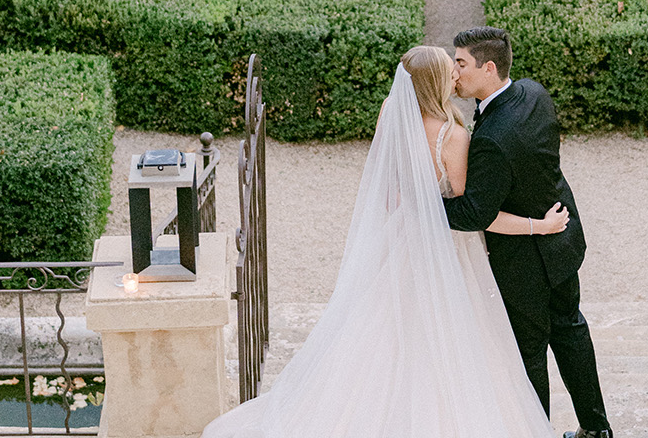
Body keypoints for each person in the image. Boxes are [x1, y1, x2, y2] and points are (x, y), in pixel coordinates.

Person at [202, 45, 565, 438]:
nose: (456, 77)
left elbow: (391, 189)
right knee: (454, 336)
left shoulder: (392, 111)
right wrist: (537, 226)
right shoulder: (453, 135)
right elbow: (471, 213)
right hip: (446, 250)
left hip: (400, 237)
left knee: (379, 333)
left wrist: (413, 207)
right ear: (437, 83)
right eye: (450, 72)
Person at [443, 27, 613, 438]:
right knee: (571, 331)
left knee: (530, 352)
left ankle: (535, 431)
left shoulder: (494, 140)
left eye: (461, 63)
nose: (454, 72)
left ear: (487, 67)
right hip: (561, 238)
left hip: (523, 262)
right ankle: (597, 430)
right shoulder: (534, 93)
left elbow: (473, 213)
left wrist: (421, 202)